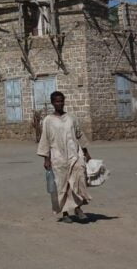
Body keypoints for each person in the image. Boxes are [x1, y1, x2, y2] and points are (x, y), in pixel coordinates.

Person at [36, 90, 92, 222]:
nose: (59, 103)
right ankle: (65, 213)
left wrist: (86, 152)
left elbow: (79, 134)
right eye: (57, 101)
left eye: (61, 101)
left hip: (74, 154)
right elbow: (45, 139)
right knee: (62, 185)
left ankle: (78, 208)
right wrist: (46, 158)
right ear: (52, 103)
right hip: (57, 156)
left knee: (78, 179)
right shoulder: (48, 120)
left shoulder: (71, 118)